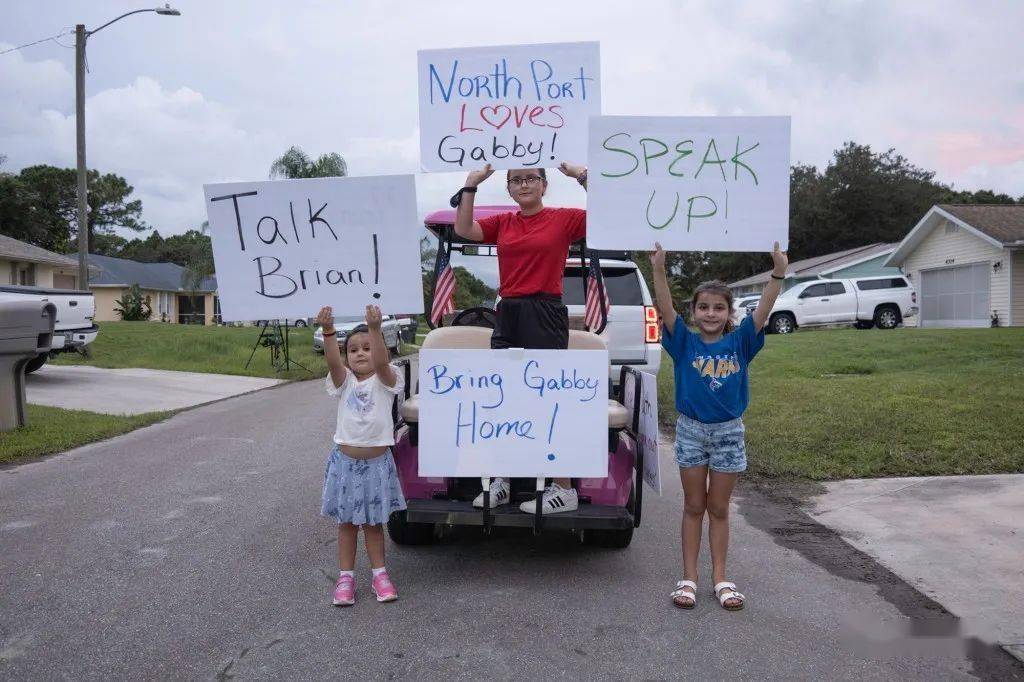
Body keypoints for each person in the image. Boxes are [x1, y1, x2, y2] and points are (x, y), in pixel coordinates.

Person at [650, 240, 788, 611]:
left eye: (719, 307)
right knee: (694, 506)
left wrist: (778, 271)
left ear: (729, 313)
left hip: (729, 432)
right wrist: (659, 269)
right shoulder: (684, 343)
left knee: (719, 509)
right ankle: (689, 578)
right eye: (703, 307)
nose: (711, 313)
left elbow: (764, 308)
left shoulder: (741, 342)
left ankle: (721, 578)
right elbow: (664, 307)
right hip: (692, 431)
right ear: (693, 312)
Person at [452, 162, 588, 515]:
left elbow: (609, 213)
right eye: (516, 180)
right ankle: (502, 480)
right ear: (509, 188)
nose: (524, 184)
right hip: (508, 312)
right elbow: (464, 228)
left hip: (544, 311)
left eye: (531, 178)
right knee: (504, 399)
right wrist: (471, 184)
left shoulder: (564, 218)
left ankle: (564, 489)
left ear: (544, 185)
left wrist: (582, 175)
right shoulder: (504, 223)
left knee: (547, 401)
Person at [317, 304, 406, 606]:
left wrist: (375, 328)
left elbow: (381, 363)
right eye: (353, 349)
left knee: (373, 524)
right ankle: (346, 577)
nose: (360, 353)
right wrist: (329, 332)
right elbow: (332, 363)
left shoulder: (387, 379)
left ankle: (380, 574)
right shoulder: (344, 383)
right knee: (346, 524)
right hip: (346, 465)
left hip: (377, 466)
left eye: (367, 347)